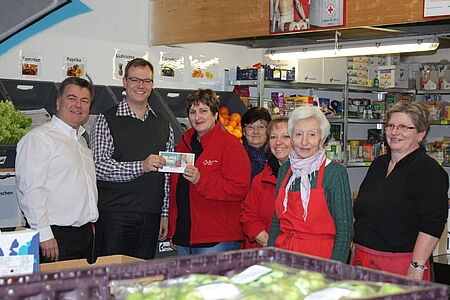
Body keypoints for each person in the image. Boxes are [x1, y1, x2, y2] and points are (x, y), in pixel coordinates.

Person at [352, 100, 449, 280]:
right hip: (363, 261)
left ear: (421, 134)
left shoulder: (428, 171)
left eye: (404, 127)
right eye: (390, 125)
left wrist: (416, 266)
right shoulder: (379, 164)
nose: (395, 132)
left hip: (400, 265)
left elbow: (432, 223)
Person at [90, 58, 174, 259]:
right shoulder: (106, 119)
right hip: (115, 214)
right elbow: (100, 167)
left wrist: (164, 214)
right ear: (124, 82)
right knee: (111, 277)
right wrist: (141, 166)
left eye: (146, 81)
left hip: (151, 215)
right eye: (135, 79)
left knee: (142, 279)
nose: (141, 85)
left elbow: (167, 175)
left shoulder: (163, 123)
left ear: (152, 85)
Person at [16, 77, 98, 263]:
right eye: (72, 98)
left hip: (84, 236)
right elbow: (31, 191)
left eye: (84, 101)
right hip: (54, 237)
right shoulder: (39, 139)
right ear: (58, 102)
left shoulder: (82, 141)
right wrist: (44, 234)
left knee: (79, 292)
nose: (78, 105)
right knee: (52, 292)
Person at [168, 89, 251, 256]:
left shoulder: (230, 145)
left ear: (215, 114)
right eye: (193, 112)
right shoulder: (185, 142)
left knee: (211, 283)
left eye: (203, 110)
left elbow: (239, 189)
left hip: (217, 238)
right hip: (185, 236)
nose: (197, 117)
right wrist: (173, 229)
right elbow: (175, 190)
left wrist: (201, 180)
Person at [268, 105, 353, 263]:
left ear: (322, 140)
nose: (304, 141)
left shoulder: (334, 173)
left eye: (312, 134)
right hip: (283, 256)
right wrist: (269, 257)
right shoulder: (286, 169)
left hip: (320, 260)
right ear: (292, 138)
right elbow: (276, 221)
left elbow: (345, 230)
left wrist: (335, 269)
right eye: (299, 134)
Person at [241, 117, 292, 249]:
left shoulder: (307, 177)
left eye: (285, 136)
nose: (278, 142)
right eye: (273, 137)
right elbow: (247, 213)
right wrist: (264, 239)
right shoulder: (262, 178)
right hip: (262, 254)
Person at [241, 107, 272, 181]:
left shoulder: (275, 155)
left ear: (268, 130)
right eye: (250, 127)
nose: (255, 131)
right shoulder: (236, 154)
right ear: (244, 131)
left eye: (261, 127)